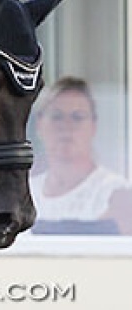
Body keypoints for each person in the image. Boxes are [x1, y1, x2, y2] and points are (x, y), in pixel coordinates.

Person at [30, 76, 132, 235]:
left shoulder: (115, 192)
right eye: (57, 116)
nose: (66, 127)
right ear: (39, 124)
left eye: (77, 117)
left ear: (93, 126)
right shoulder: (26, 193)